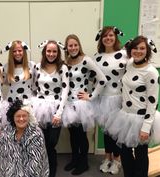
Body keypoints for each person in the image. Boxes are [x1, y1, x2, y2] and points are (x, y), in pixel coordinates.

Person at [105, 36, 160, 177]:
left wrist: (146, 127)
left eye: (142, 48)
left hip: (141, 118)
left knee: (141, 155)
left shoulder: (151, 72)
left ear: (148, 51)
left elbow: (153, 102)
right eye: (135, 48)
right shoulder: (129, 64)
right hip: (125, 115)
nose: (138, 51)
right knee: (125, 153)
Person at [63, 34, 107, 175]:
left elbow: (102, 79)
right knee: (73, 134)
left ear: (79, 45)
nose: (73, 47)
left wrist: (92, 96)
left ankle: (84, 163)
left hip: (82, 104)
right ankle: (75, 159)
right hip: (69, 103)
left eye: (75, 45)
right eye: (70, 45)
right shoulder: (67, 62)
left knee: (82, 136)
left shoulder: (86, 60)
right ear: (67, 47)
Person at [93, 26, 128, 174]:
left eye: (111, 35)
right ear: (101, 39)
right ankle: (107, 158)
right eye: (105, 36)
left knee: (117, 131)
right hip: (103, 98)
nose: (108, 38)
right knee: (106, 131)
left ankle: (116, 160)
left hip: (118, 98)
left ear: (116, 37)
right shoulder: (97, 57)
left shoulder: (124, 55)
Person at [32, 40, 69, 177]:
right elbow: (34, 87)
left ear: (58, 53)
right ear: (44, 52)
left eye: (54, 51)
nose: (51, 54)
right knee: (41, 141)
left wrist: (58, 113)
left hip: (55, 108)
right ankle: (41, 170)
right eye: (49, 51)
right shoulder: (37, 67)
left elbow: (65, 91)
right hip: (39, 107)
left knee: (52, 143)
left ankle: (51, 171)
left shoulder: (63, 68)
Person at [0, 99, 49, 177]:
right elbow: (1, 155)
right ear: (13, 118)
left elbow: (36, 162)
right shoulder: (6, 133)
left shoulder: (36, 134)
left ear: (29, 117)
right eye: (18, 116)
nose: (21, 119)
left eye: (24, 116)